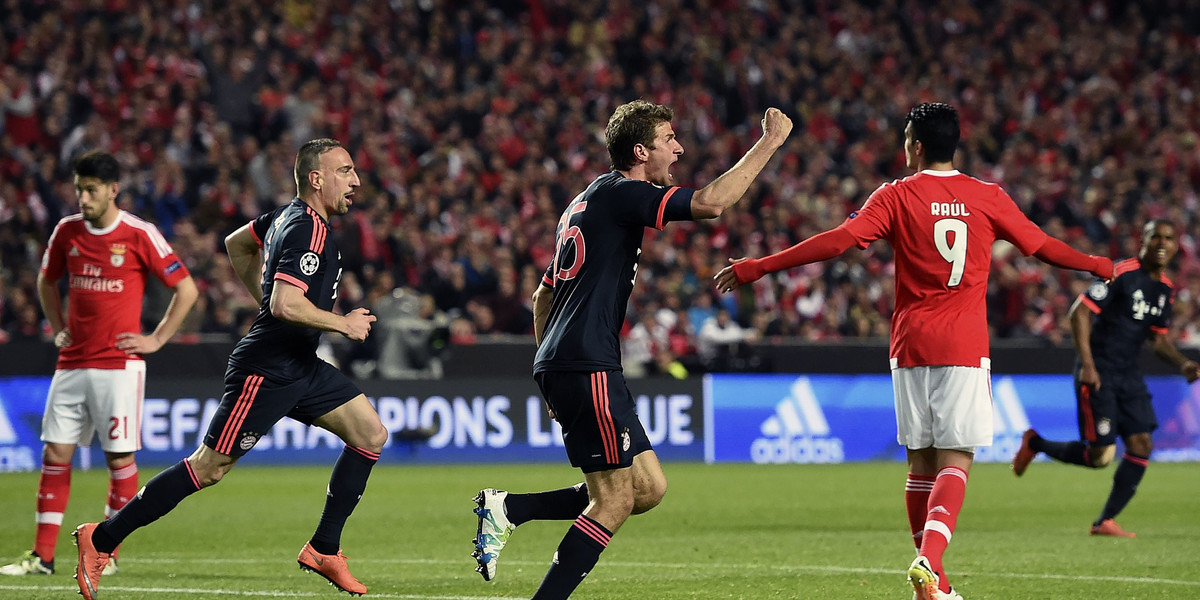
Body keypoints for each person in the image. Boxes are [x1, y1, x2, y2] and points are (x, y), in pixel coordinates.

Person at [714, 102, 1114, 600]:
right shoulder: (987, 196)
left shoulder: (896, 196)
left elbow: (839, 241)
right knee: (956, 461)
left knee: (920, 465)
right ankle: (931, 560)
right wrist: (1100, 265)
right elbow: (1041, 246)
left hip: (908, 346)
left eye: (906, 137)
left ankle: (935, 585)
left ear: (917, 146)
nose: (903, 145)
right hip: (963, 345)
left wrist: (761, 267)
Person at [471, 100, 792, 598]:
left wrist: (547, 365)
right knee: (615, 501)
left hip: (576, 362)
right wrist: (769, 142)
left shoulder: (586, 199)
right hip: (586, 362)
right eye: (669, 139)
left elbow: (543, 296)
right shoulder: (625, 193)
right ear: (641, 151)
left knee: (647, 489)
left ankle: (511, 509)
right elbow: (710, 203)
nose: (679, 148)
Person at [71, 138, 386, 600]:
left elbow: (237, 244)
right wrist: (341, 323)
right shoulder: (308, 230)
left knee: (369, 434)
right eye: (345, 171)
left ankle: (324, 548)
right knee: (209, 467)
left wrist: (267, 294)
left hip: (300, 364)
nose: (356, 180)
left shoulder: (284, 217)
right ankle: (100, 538)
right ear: (316, 179)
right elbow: (283, 303)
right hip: (267, 369)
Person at [1, 151, 198, 577]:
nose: (83, 198)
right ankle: (42, 557)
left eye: (90, 190)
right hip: (72, 362)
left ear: (113, 190)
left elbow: (186, 288)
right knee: (55, 453)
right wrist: (57, 325)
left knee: (119, 458)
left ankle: (106, 553)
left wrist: (157, 339)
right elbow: (46, 279)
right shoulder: (67, 231)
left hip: (119, 365)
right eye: (78, 189)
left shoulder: (138, 233)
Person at [1012, 220, 1199, 537]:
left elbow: (1158, 338)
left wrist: (1182, 364)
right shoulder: (1120, 273)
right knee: (1100, 456)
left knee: (1142, 444)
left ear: (1175, 245)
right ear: (1144, 240)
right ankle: (1036, 442)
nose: (1162, 243)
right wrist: (1088, 364)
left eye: (1169, 238)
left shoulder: (1165, 289)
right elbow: (1079, 312)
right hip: (1098, 371)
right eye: (1156, 237)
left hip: (1129, 374)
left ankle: (1105, 521)